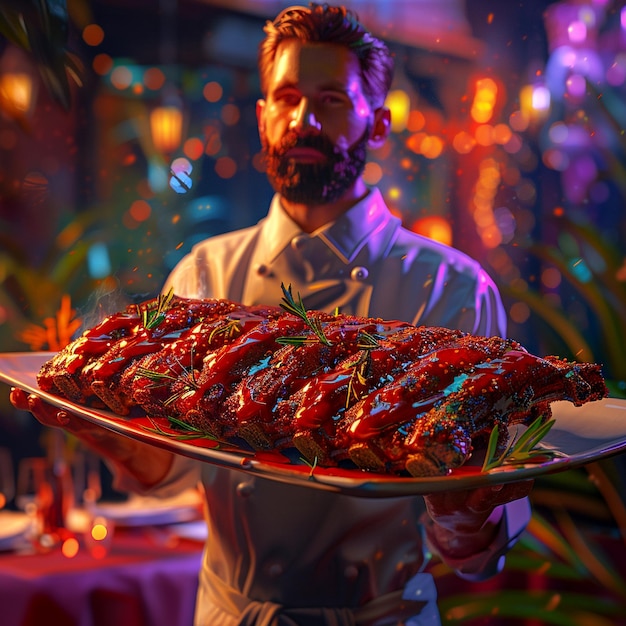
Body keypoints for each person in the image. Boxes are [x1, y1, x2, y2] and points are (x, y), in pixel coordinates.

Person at [11, 4, 533, 625]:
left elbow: (477, 555)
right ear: (263, 118)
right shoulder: (204, 274)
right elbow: (171, 470)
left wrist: (465, 513)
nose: (304, 119)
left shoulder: (452, 289)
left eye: (333, 100)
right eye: (286, 97)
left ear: (379, 125)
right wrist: (101, 430)